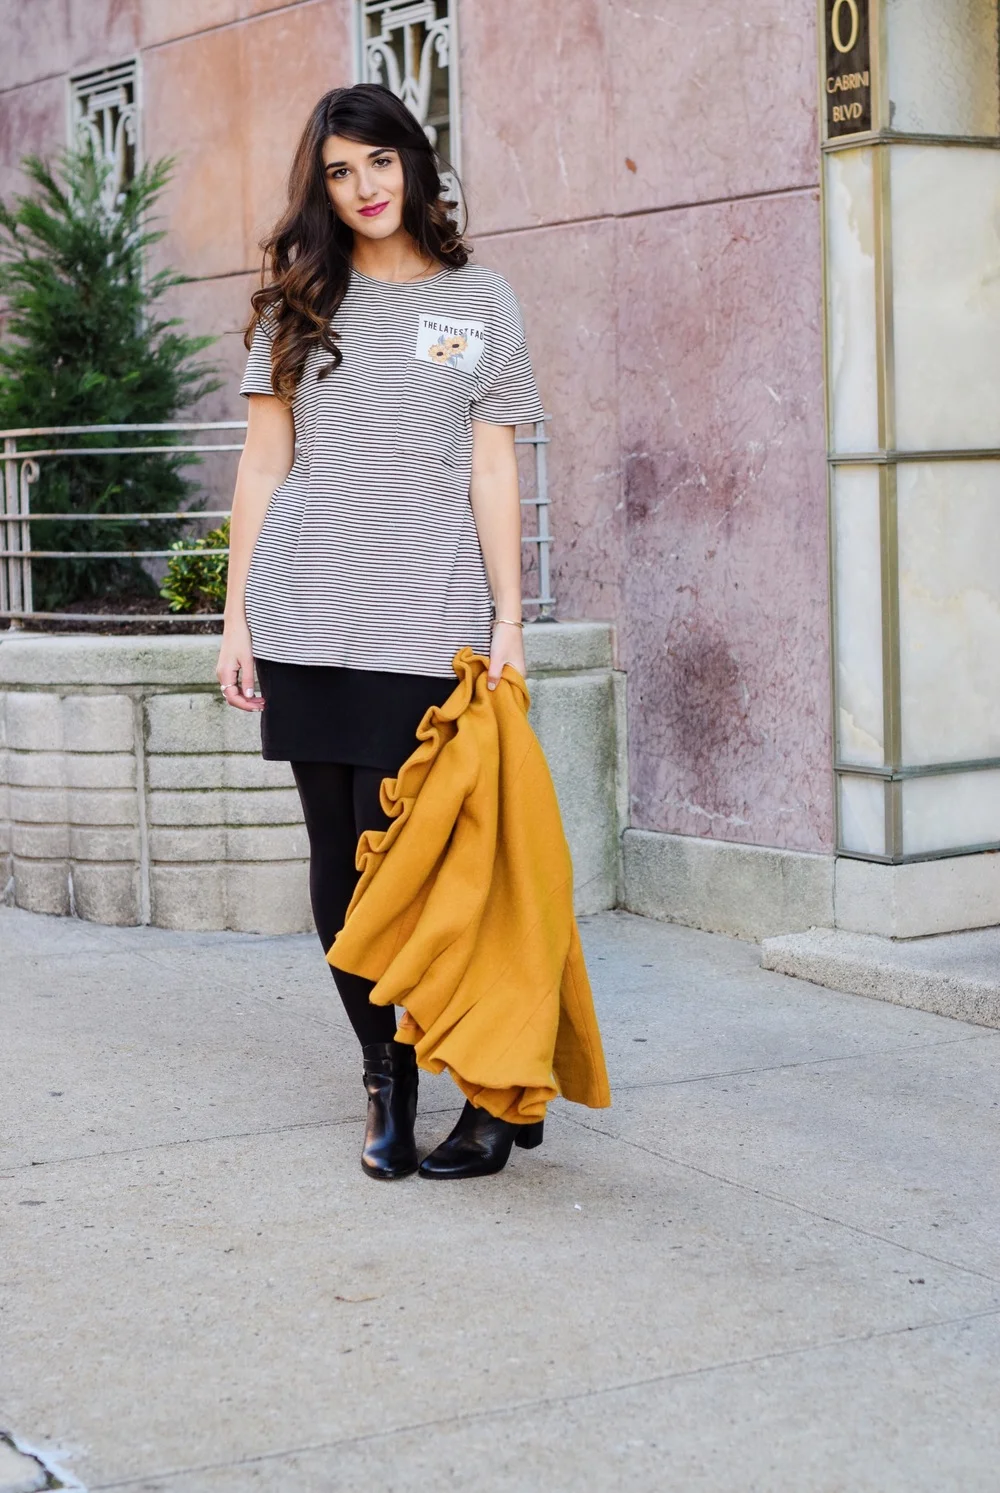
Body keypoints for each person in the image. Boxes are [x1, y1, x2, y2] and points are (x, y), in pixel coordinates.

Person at [215, 83, 546, 1182]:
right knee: (337, 862)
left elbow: (493, 465)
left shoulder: (482, 298)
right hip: (307, 607)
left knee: (427, 863)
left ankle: (488, 1082)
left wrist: (507, 618)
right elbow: (264, 466)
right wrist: (235, 618)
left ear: (415, 162)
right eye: (340, 172)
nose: (363, 190)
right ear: (322, 185)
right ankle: (384, 1079)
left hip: (431, 616)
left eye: (380, 164)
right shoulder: (295, 302)